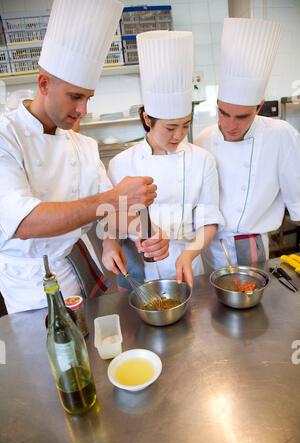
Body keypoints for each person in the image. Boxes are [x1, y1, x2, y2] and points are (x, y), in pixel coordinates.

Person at [0, 0, 168, 314]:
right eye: (75, 96)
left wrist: (143, 230)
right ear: (44, 84)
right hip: (32, 283)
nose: (83, 110)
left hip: (80, 263)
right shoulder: (6, 136)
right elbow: (24, 221)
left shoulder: (83, 145)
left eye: (88, 98)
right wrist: (117, 195)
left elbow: (107, 210)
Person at [106, 31, 224, 288]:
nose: (179, 135)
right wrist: (111, 244)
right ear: (148, 119)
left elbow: (208, 219)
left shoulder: (202, 160)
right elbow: (111, 219)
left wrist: (190, 253)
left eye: (185, 125)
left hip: (187, 262)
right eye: (170, 128)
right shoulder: (122, 163)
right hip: (137, 268)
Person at [195, 18, 300, 271]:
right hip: (208, 245)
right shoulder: (203, 139)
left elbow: (297, 196)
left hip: (253, 246)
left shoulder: (281, 135)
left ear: (258, 107)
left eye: (242, 116)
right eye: (223, 113)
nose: (230, 125)